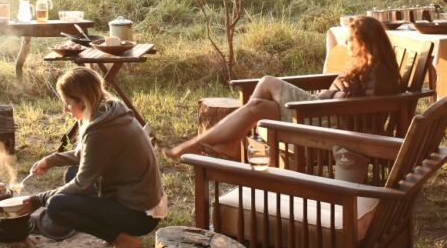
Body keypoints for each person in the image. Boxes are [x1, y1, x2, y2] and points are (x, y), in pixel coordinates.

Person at [167, 15, 402, 168]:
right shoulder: (363, 64)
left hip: (326, 119)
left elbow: (372, 110)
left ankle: (214, 144)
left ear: (365, 42)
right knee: (258, 107)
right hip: (321, 111)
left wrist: (337, 97)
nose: (348, 44)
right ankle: (210, 143)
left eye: (352, 40)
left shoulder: (378, 71)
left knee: (268, 81)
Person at [22, 67, 166, 248]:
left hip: (139, 216)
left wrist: (39, 199)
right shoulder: (108, 111)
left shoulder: (102, 130)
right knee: (71, 173)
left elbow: (82, 184)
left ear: (82, 100)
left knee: (57, 205)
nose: (66, 109)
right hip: (139, 201)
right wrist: (50, 160)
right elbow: (86, 155)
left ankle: (122, 241)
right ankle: (113, 230)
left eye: (68, 103)